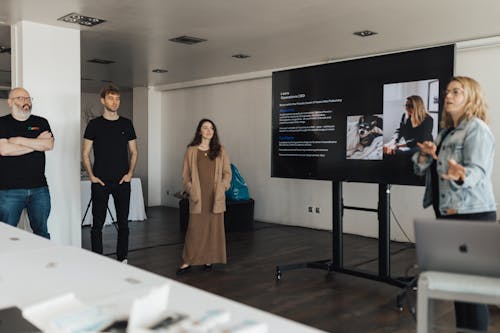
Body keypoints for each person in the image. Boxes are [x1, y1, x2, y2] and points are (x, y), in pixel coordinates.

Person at [413, 76, 496, 332]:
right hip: (448, 213)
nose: (448, 96)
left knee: (472, 293)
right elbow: (419, 168)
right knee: (460, 290)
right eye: (447, 92)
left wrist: (462, 174)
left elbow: (479, 171)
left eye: (456, 92)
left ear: (471, 97)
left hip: (472, 215)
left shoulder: (476, 129)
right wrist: (425, 154)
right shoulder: (445, 133)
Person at [82, 84, 138, 263]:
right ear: (103, 101)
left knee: (123, 223)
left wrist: (130, 173)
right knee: (97, 224)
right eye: (111, 98)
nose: (115, 102)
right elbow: (85, 152)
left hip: (123, 181)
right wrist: (91, 176)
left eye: (117, 99)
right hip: (100, 181)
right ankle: (98, 260)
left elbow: (134, 151)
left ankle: (123, 259)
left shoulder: (126, 124)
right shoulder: (94, 124)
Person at [177, 119, 231, 275]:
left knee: (213, 230)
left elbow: (227, 172)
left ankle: (209, 259)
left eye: (211, 128)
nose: (208, 131)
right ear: (199, 131)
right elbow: (185, 175)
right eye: (205, 128)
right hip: (198, 197)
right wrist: (190, 188)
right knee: (195, 230)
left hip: (215, 197)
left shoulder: (221, 150)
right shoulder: (191, 151)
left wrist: (223, 186)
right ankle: (187, 261)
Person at [0, 88, 54, 239]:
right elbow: (4, 150)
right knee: (7, 234)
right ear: (10, 102)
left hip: (39, 189)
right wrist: (37, 144)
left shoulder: (41, 122)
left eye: (28, 98)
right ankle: (6, 263)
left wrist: (17, 140)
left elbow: (48, 145)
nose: (26, 101)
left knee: (42, 233)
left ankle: (43, 262)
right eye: (21, 98)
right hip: (9, 191)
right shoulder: (2, 123)